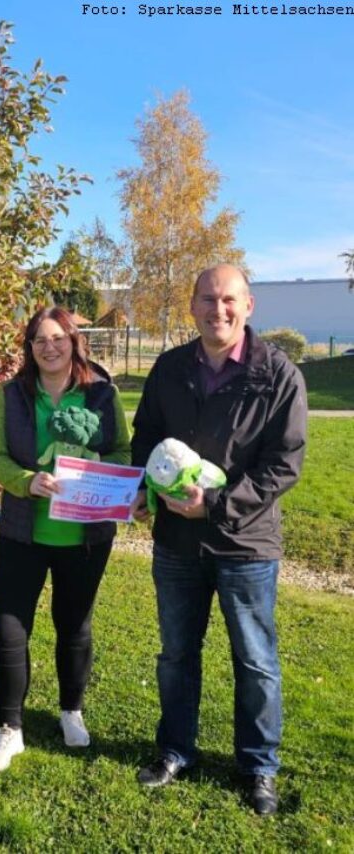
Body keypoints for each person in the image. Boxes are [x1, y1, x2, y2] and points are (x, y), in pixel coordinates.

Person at [130, 264, 307, 816]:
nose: (218, 309)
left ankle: (258, 768)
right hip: (177, 543)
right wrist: (143, 486)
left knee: (255, 661)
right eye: (207, 299)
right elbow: (145, 437)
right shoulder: (169, 368)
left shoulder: (277, 374)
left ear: (249, 306)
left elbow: (285, 464)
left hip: (245, 545)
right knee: (177, 655)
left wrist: (218, 505)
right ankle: (176, 750)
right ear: (191, 306)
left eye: (228, 299)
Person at [0, 306, 131, 772]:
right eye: (39, 339)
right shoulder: (12, 395)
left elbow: (123, 450)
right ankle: (10, 728)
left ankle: (71, 711)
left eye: (58, 338)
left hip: (86, 537)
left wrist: (103, 478)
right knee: (9, 629)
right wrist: (26, 480)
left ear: (74, 341)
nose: (49, 347)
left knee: (74, 626)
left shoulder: (103, 395)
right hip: (25, 532)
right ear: (29, 347)